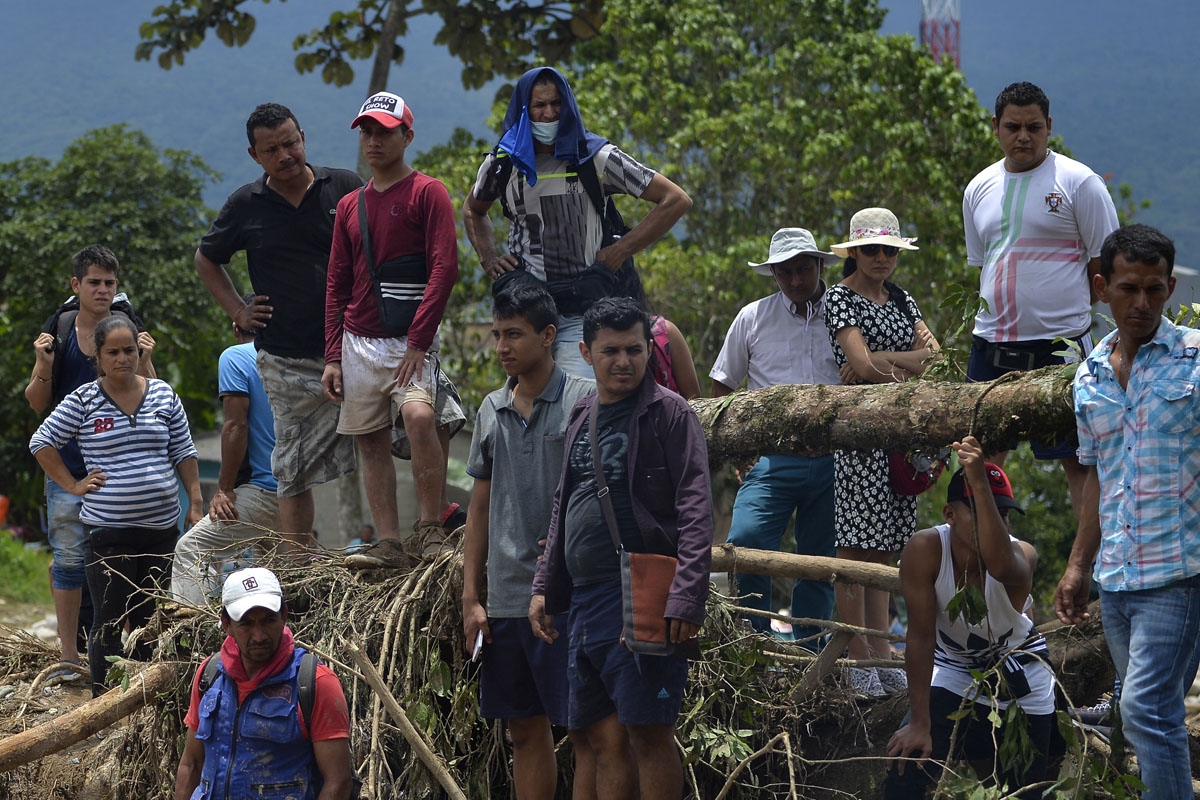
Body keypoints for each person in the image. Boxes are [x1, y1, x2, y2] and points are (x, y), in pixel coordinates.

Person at [529, 297, 713, 800]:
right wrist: (544, 585)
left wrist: (686, 597)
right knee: (596, 735)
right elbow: (563, 502)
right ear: (586, 352)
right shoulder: (582, 412)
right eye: (610, 351)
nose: (624, 361)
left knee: (649, 733)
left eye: (634, 350)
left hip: (642, 591)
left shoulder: (670, 413)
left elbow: (697, 508)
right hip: (583, 599)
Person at [1054, 224, 1200, 800]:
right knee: (1147, 716)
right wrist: (1076, 566)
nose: (1142, 303)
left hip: (1180, 572)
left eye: (1155, 290)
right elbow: (1095, 475)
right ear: (1101, 287)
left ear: (1168, 288)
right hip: (1116, 578)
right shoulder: (1088, 375)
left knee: (1144, 711)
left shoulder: (1195, 360)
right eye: (1128, 289)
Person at [195, 102, 364, 552]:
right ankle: (296, 564)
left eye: (290, 142)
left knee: (393, 431)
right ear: (255, 155)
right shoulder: (246, 204)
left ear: (303, 136)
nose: (285, 154)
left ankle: (397, 536)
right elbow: (206, 258)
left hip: (353, 348)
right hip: (284, 356)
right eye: (272, 149)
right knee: (291, 465)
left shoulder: (345, 187)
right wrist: (237, 310)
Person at [463, 66, 692, 377]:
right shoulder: (504, 164)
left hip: (584, 306)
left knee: (576, 399)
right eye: (539, 106)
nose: (548, 114)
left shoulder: (595, 158)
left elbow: (675, 199)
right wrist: (488, 258)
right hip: (528, 313)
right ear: (523, 109)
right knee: (526, 402)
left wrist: (619, 251)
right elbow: (473, 209)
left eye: (556, 103)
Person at [462, 283, 596, 799]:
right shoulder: (491, 409)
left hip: (569, 596)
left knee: (585, 729)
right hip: (507, 599)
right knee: (523, 729)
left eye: (513, 334)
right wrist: (472, 598)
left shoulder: (584, 401)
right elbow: (480, 509)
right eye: (497, 334)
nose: (502, 346)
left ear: (547, 336)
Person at [963, 81, 1119, 515]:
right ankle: (985, 573)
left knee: (1080, 463)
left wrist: (1070, 314)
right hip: (991, 344)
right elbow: (986, 264)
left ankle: (1084, 574)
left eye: (1034, 126)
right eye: (1013, 127)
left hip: (1062, 347)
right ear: (996, 127)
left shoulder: (1079, 181)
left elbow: (1105, 266)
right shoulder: (978, 188)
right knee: (981, 463)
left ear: (1049, 126)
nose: (1023, 136)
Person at [321, 92, 460, 569]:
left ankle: (429, 528)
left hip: (410, 342)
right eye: (367, 131)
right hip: (358, 341)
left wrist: (420, 341)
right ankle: (388, 542)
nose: (374, 140)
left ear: (407, 136)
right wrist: (333, 356)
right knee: (370, 439)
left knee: (421, 419)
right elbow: (337, 282)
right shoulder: (348, 206)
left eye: (384, 131)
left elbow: (444, 268)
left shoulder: (428, 192)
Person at [30, 314, 202, 696]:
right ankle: (103, 705)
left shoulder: (163, 394)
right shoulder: (83, 399)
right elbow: (41, 442)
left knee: (150, 619)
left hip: (160, 532)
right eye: (113, 352)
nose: (123, 358)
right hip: (108, 533)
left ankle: (143, 705)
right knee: (108, 622)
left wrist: (196, 502)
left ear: (139, 351)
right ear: (99, 355)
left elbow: (184, 451)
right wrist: (73, 485)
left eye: (129, 350)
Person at [885, 437, 1055, 799]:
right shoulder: (925, 550)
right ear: (949, 514)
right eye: (979, 510)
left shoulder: (1022, 556)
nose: (995, 522)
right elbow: (919, 638)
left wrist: (979, 482)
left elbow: (998, 561)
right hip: (955, 670)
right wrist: (919, 721)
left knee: (1021, 792)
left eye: (1002, 512)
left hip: (1020, 677)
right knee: (904, 772)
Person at [24, 244, 157, 681]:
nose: (102, 290)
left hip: (121, 470)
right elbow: (37, 405)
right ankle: (69, 657)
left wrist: (148, 357)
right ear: (76, 285)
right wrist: (45, 363)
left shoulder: (130, 333)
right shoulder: (59, 331)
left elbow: (154, 400)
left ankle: (124, 656)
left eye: (110, 283)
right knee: (67, 558)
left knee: (127, 556)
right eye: (94, 282)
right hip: (68, 467)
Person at [824, 207, 941, 696]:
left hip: (899, 439)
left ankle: (880, 651)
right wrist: (891, 365)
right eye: (871, 249)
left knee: (883, 549)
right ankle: (861, 658)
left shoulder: (902, 298)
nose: (881, 258)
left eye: (889, 249)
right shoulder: (839, 299)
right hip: (859, 440)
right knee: (855, 547)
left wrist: (883, 360)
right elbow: (858, 366)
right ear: (853, 252)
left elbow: (935, 359)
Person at [710, 228, 842, 644]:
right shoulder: (752, 317)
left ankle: (808, 649)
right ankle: (754, 641)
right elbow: (722, 388)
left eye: (803, 269)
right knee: (746, 540)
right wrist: (738, 448)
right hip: (771, 458)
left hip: (837, 457)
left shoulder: (845, 314)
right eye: (785, 273)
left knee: (821, 560)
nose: (796, 280)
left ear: (820, 266)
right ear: (774, 275)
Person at [174, 567, 353, 800]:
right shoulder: (209, 675)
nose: (259, 636)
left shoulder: (315, 683)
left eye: (268, 620)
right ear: (226, 624)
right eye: (246, 624)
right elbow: (192, 764)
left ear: (284, 617)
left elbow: (338, 781)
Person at [172, 297, 281, 605]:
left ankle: (192, 638)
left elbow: (236, 426)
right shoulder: (295, 360)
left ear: (237, 328)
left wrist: (223, 489)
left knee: (191, 549)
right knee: (272, 574)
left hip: (261, 491)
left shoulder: (236, 357)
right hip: (297, 496)